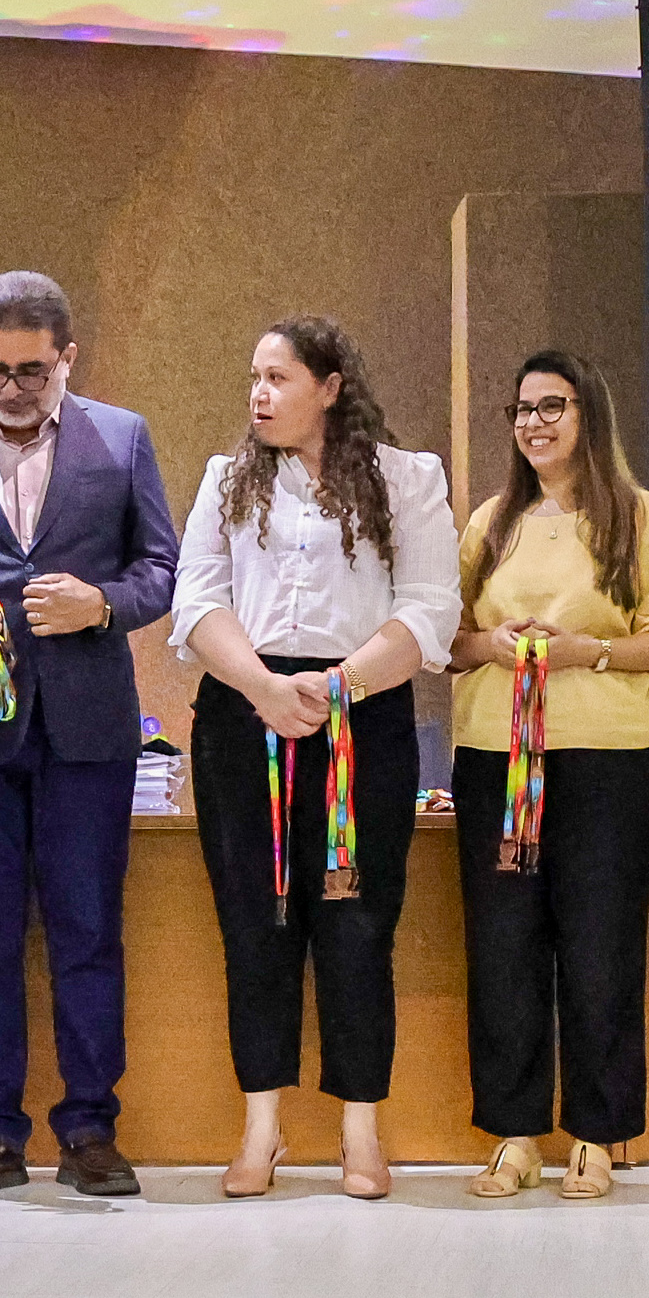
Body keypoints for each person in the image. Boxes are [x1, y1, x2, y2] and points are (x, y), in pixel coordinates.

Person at [0, 270, 181, 1200]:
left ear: (67, 359)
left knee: (87, 931)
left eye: (29, 371)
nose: (9, 389)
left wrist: (103, 604)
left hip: (88, 730)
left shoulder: (121, 436)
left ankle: (90, 1128)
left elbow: (162, 569)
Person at [169, 315, 458, 1201]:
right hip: (244, 712)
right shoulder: (226, 479)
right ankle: (261, 1129)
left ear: (330, 388)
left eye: (279, 378)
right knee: (254, 924)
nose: (258, 395)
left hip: (357, 713)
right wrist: (261, 686)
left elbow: (430, 609)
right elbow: (196, 602)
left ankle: (360, 1131)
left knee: (356, 924)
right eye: (254, 378)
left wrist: (340, 687)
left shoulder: (406, 479)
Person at [447, 351, 649, 1202]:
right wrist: (490, 645)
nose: (533, 423)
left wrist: (587, 652)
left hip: (604, 759)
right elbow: (447, 640)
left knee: (600, 946)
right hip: (495, 757)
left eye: (551, 406)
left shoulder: (639, 517)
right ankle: (515, 1134)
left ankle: (596, 1133)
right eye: (521, 409)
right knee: (504, 947)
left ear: (588, 414)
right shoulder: (490, 522)